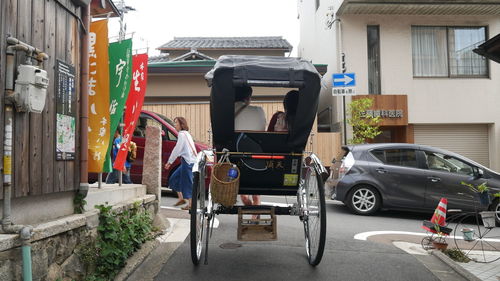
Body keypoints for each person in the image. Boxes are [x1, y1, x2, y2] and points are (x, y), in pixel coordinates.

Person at [233, 85, 266, 208]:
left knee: (245, 195)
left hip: (232, 159)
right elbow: (262, 132)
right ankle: (255, 213)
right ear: (248, 97)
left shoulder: (225, 112)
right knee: (256, 193)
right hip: (255, 158)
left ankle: (251, 207)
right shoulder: (258, 111)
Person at [164, 117, 197, 210]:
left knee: (187, 183)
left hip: (188, 162)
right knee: (174, 178)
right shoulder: (186, 134)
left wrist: (169, 162)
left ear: (181, 125)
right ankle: (181, 198)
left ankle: (191, 204)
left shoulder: (182, 135)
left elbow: (177, 149)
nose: (174, 125)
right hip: (187, 161)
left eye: (176, 123)